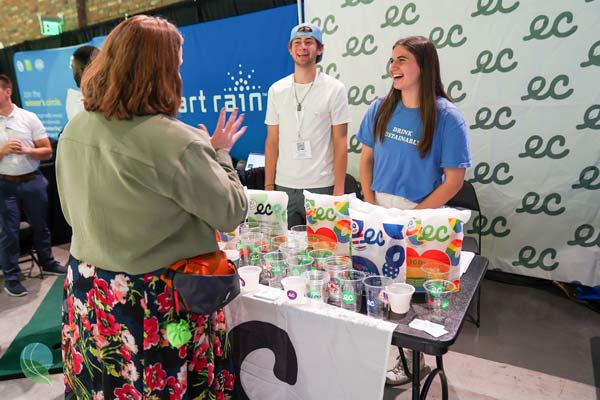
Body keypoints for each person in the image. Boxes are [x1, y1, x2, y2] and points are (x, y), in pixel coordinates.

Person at [56, 16, 248, 399]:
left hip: (89, 293)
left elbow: (69, 211)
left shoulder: (76, 129)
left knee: (103, 387)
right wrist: (219, 153)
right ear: (161, 72)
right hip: (153, 304)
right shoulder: (176, 141)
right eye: (176, 62)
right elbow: (231, 212)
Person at [356, 36, 471, 385]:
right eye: (392, 60)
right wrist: (370, 202)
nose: (393, 66)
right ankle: (373, 354)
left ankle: (409, 361)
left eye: (402, 59)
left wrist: (415, 216)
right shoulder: (379, 108)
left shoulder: (447, 117)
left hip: (421, 214)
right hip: (377, 209)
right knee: (373, 289)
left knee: (412, 294)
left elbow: (454, 180)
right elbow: (366, 159)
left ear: (424, 65)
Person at [264, 22, 351, 227]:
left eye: (309, 42)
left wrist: (338, 190)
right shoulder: (276, 90)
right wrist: (269, 186)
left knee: (324, 250)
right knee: (286, 251)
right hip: (284, 187)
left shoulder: (335, 89)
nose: (303, 47)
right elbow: (272, 141)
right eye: (298, 42)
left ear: (320, 49)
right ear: (290, 48)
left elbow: (340, 141)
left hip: (322, 187)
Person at [0, 74, 66, 297]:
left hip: (32, 180)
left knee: (41, 225)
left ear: (7, 92)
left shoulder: (28, 117)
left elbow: (47, 150)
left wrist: (27, 150)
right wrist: (3, 151)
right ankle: (11, 276)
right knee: (8, 232)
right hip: (4, 185)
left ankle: (48, 262)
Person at [65, 45, 99, 121]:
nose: (74, 74)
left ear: (81, 71)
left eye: (74, 68)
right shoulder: (117, 95)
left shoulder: (79, 105)